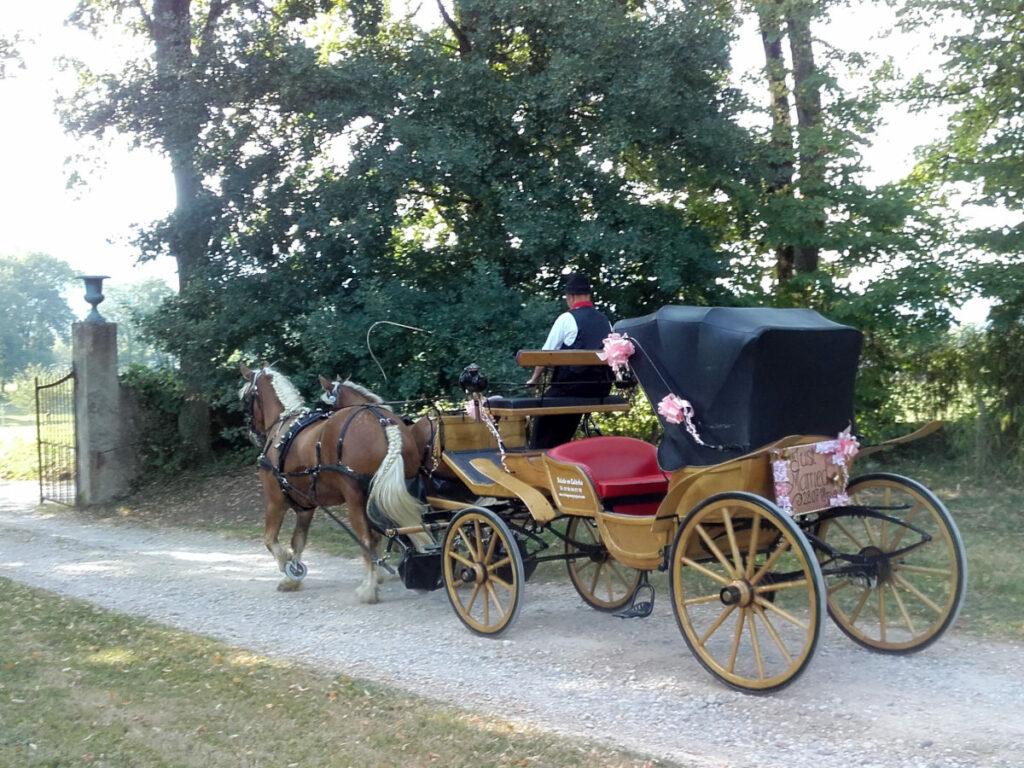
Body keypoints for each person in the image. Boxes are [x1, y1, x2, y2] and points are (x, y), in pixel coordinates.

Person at [525, 273, 614, 449]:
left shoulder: (566, 319)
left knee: (544, 413)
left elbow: (545, 355)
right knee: (567, 419)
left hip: (570, 388)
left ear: (570, 297)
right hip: (598, 389)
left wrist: (533, 379)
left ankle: (538, 453)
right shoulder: (606, 321)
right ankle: (562, 452)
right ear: (589, 295)